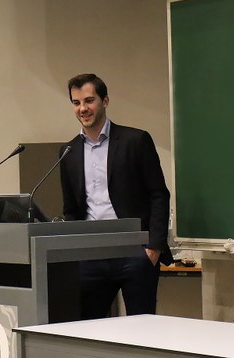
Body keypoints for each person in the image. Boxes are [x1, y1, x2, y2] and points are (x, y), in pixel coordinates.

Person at [59, 73, 172, 318]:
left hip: (136, 253)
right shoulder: (68, 151)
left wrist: (153, 248)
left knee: (141, 332)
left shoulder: (136, 141)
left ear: (105, 101)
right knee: (88, 330)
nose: (83, 109)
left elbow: (159, 195)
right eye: (76, 103)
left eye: (89, 101)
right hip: (91, 256)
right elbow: (71, 209)